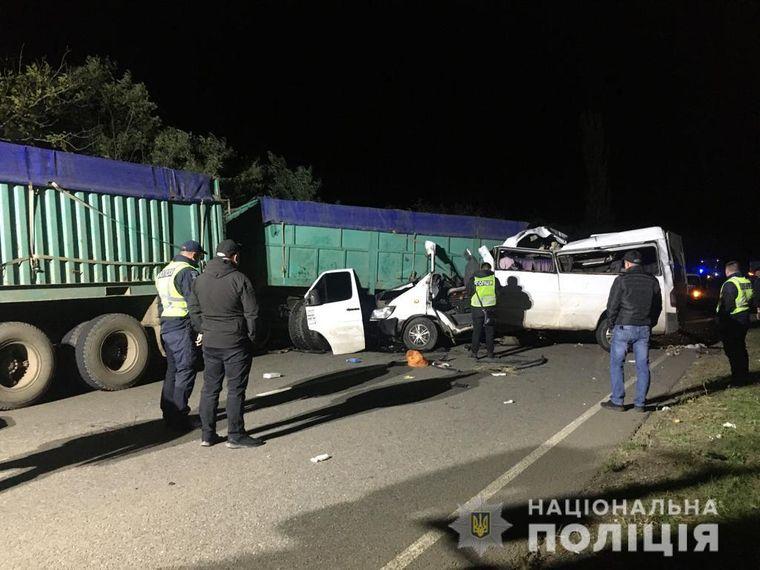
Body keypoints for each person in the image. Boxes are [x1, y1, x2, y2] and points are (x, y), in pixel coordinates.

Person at [188, 239, 262, 448]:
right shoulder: (239, 279)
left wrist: (203, 329)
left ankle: (207, 435)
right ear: (235, 257)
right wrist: (251, 336)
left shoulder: (200, 280)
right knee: (235, 390)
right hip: (235, 342)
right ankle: (235, 435)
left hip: (210, 342)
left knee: (210, 389)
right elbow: (252, 313)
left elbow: (193, 309)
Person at [602, 250, 662, 412]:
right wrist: (650, 323)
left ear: (627, 264)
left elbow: (612, 305)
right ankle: (640, 404)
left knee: (617, 364)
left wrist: (611, 323)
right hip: (643, 328)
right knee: (642, 366)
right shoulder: (652, 281)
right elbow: (657, 306)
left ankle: (617, 401)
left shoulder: (621, 280)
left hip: (623, 326)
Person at [155, 240, 205, 430]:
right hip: (182, 325)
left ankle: (168, 412)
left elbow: (160, 303)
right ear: (194, 255)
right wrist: (200, 328)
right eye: (199, 256)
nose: (199, 260)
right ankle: (180, 417)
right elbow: (194, 303)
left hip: (168, 324)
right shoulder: (187, 272)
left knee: (172, 370)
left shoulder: (164, 272)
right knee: (186, 369)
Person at [716, 261, 757, 383]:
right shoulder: (746, 282)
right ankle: (744, 373)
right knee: (741, 348)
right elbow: (750, 300)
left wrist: (720, 321)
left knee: (733, 350)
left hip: (732, 320)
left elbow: (726, 305)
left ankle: (737, 377)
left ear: (727, 271)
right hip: (744, 317)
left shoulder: (730, 284)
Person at [467, 261, 499, 359]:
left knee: (477, 331)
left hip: (477, 307)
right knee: (490, 331)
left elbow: (469, 291)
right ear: (490, 269)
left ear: (481, 268)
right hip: (490, 308)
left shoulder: (474, 279)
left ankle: (474, 353)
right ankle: (490, 353)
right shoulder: (494, 279)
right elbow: (499, 292)